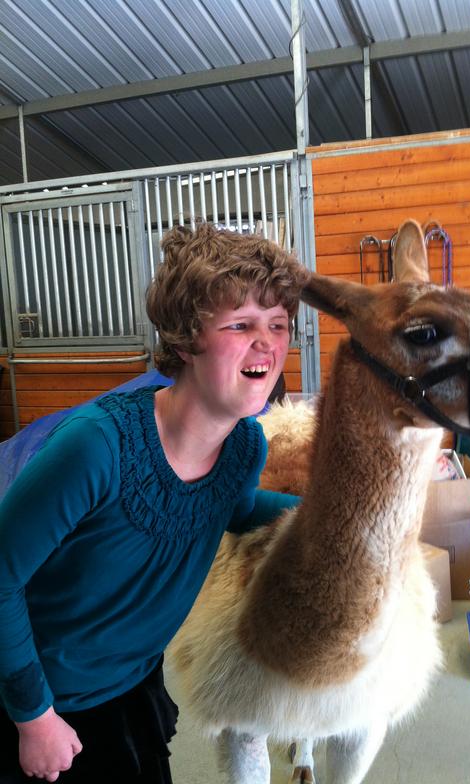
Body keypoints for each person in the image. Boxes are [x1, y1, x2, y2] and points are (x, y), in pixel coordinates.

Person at [0, 223, 308, 784]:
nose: (267, 343)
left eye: (278, 324)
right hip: (43, 699)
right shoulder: (97, 447)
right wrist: (33, 717)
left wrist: (322, 516)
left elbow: (235, 511)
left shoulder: (244, 445)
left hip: (132, 683)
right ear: (186, 340)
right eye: (241, 324)